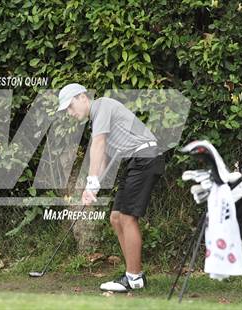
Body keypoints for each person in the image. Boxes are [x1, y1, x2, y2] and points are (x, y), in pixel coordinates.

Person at [57, 83, 165, 292]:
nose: (70, 113)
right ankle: (133, 274)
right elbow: (104, 156)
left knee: (126, 217)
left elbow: (98, 144)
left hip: (146, 157)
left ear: (82, 97)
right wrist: (93, 189)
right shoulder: (96, 119)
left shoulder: (102, 106)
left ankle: (134, 278)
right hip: (136, 161)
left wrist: (91, 182)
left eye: (70, 106)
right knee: (116, 218)